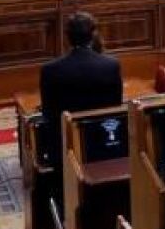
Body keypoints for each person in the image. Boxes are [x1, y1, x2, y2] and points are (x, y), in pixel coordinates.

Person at [39, 12, 123, 194]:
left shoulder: (50, 70)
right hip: (104, 143)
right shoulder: (111, 65)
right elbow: (116, 107)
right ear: (93, 34)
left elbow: (48, 114)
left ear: (67, 37)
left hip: (64, 148)